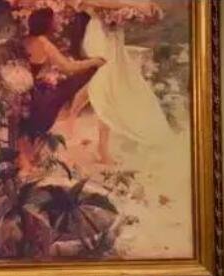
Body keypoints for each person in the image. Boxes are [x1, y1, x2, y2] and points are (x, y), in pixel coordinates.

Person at [65, 0, 172, 163]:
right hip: (98, 35)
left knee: (104, 84)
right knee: (106, 85)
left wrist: (137, 10)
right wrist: (135, 5)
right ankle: (102, 148)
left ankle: (73, 117)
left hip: (114, 36)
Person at [17, 7, 105, 170]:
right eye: (54, 20)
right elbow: (68, 67)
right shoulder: (43, 42)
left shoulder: (25, 40)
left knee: (29, 123)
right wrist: (93, 62)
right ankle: (29, 159)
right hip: (36, 95)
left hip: (23, 91)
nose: (57, 22)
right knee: (64, 89)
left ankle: (29, 157)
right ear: (47, 24)